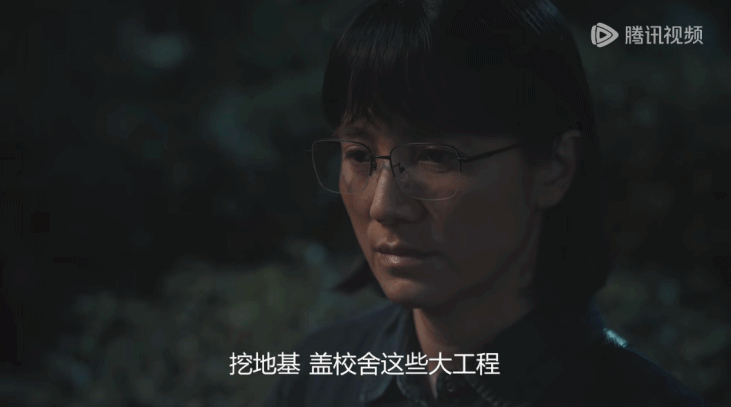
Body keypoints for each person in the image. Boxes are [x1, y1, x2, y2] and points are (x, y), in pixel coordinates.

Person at [265, 0, 710, 405]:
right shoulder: (317, 378)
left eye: (435, 157)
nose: (383, 206)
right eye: (360, 156)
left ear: (555, 167)